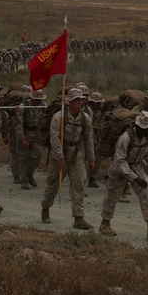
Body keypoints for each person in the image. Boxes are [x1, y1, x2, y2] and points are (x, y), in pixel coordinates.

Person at [99, 110, 148, 240]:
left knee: (146, 192)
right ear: (139, 126)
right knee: (113, 196)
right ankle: (104, 224)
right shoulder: (125, 138)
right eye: (146, 128)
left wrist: (144, 172)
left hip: (137, 166)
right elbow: (119, 161)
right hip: (119, 167)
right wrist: (135, 178)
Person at [40, 88, 95, 230]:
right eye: (77, 100)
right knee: (52, 184)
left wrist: (91, 158)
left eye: (81, 99)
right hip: (59, 156)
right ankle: (45, 209)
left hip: (77, 156)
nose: (80, 102)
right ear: (70, 102)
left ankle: (79, 217)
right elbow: (54, 138)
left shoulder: (85, 119)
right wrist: (59, 156)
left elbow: (88, 139)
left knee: (79, 184)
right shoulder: (59, 117)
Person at [14, 89, 46, 189]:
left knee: (38, 155)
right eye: (37, 100)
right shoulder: (24, 107)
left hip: (36, 133)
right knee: (23, 157)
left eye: (40, 100)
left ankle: (29, 174)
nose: (39, 102)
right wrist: (22, 139)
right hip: (25, 131)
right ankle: (23, 180)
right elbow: (19, 124)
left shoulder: (43, 106)